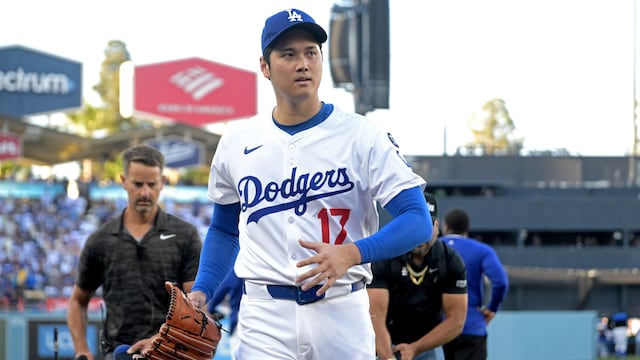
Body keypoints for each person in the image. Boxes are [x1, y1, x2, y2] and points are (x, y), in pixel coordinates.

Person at [187, 8, 433, 360]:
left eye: (311, 52)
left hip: (341, 309)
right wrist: (202, 290)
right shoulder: (236, 141)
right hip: (264, 316)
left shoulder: (363, 136)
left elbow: (417, 219)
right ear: (265, 67)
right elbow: (225, 230)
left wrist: (352, 253)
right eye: (288, 54)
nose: (303, 63)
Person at [66, 145, 203, 360]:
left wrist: (161, 339)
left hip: (170, 353)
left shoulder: (185, 235)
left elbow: (195, 304)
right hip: (119, 352)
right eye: (138, 184)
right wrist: (81, 349)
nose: (145, 192)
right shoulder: (100, 240)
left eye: (152, 184)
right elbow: (77, 301)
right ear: (123, 181)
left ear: (163, 183)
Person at [368, 193, 468, 360]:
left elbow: (456, 321)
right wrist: (388, 358)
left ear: (437, 226)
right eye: (414, 226)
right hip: (384, 342)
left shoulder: (450, 260)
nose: (419, 234)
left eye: (425, 226)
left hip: (426, 344)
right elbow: (375, 316)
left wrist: (415, 348)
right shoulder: (385, 256)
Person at [440, 209, 508, 360]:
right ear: (466, 228)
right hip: (471, 324)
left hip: (438, 327)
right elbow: (500, 282)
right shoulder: (482, 250)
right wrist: (492, 308)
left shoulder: (434, 248)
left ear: (445, 226)